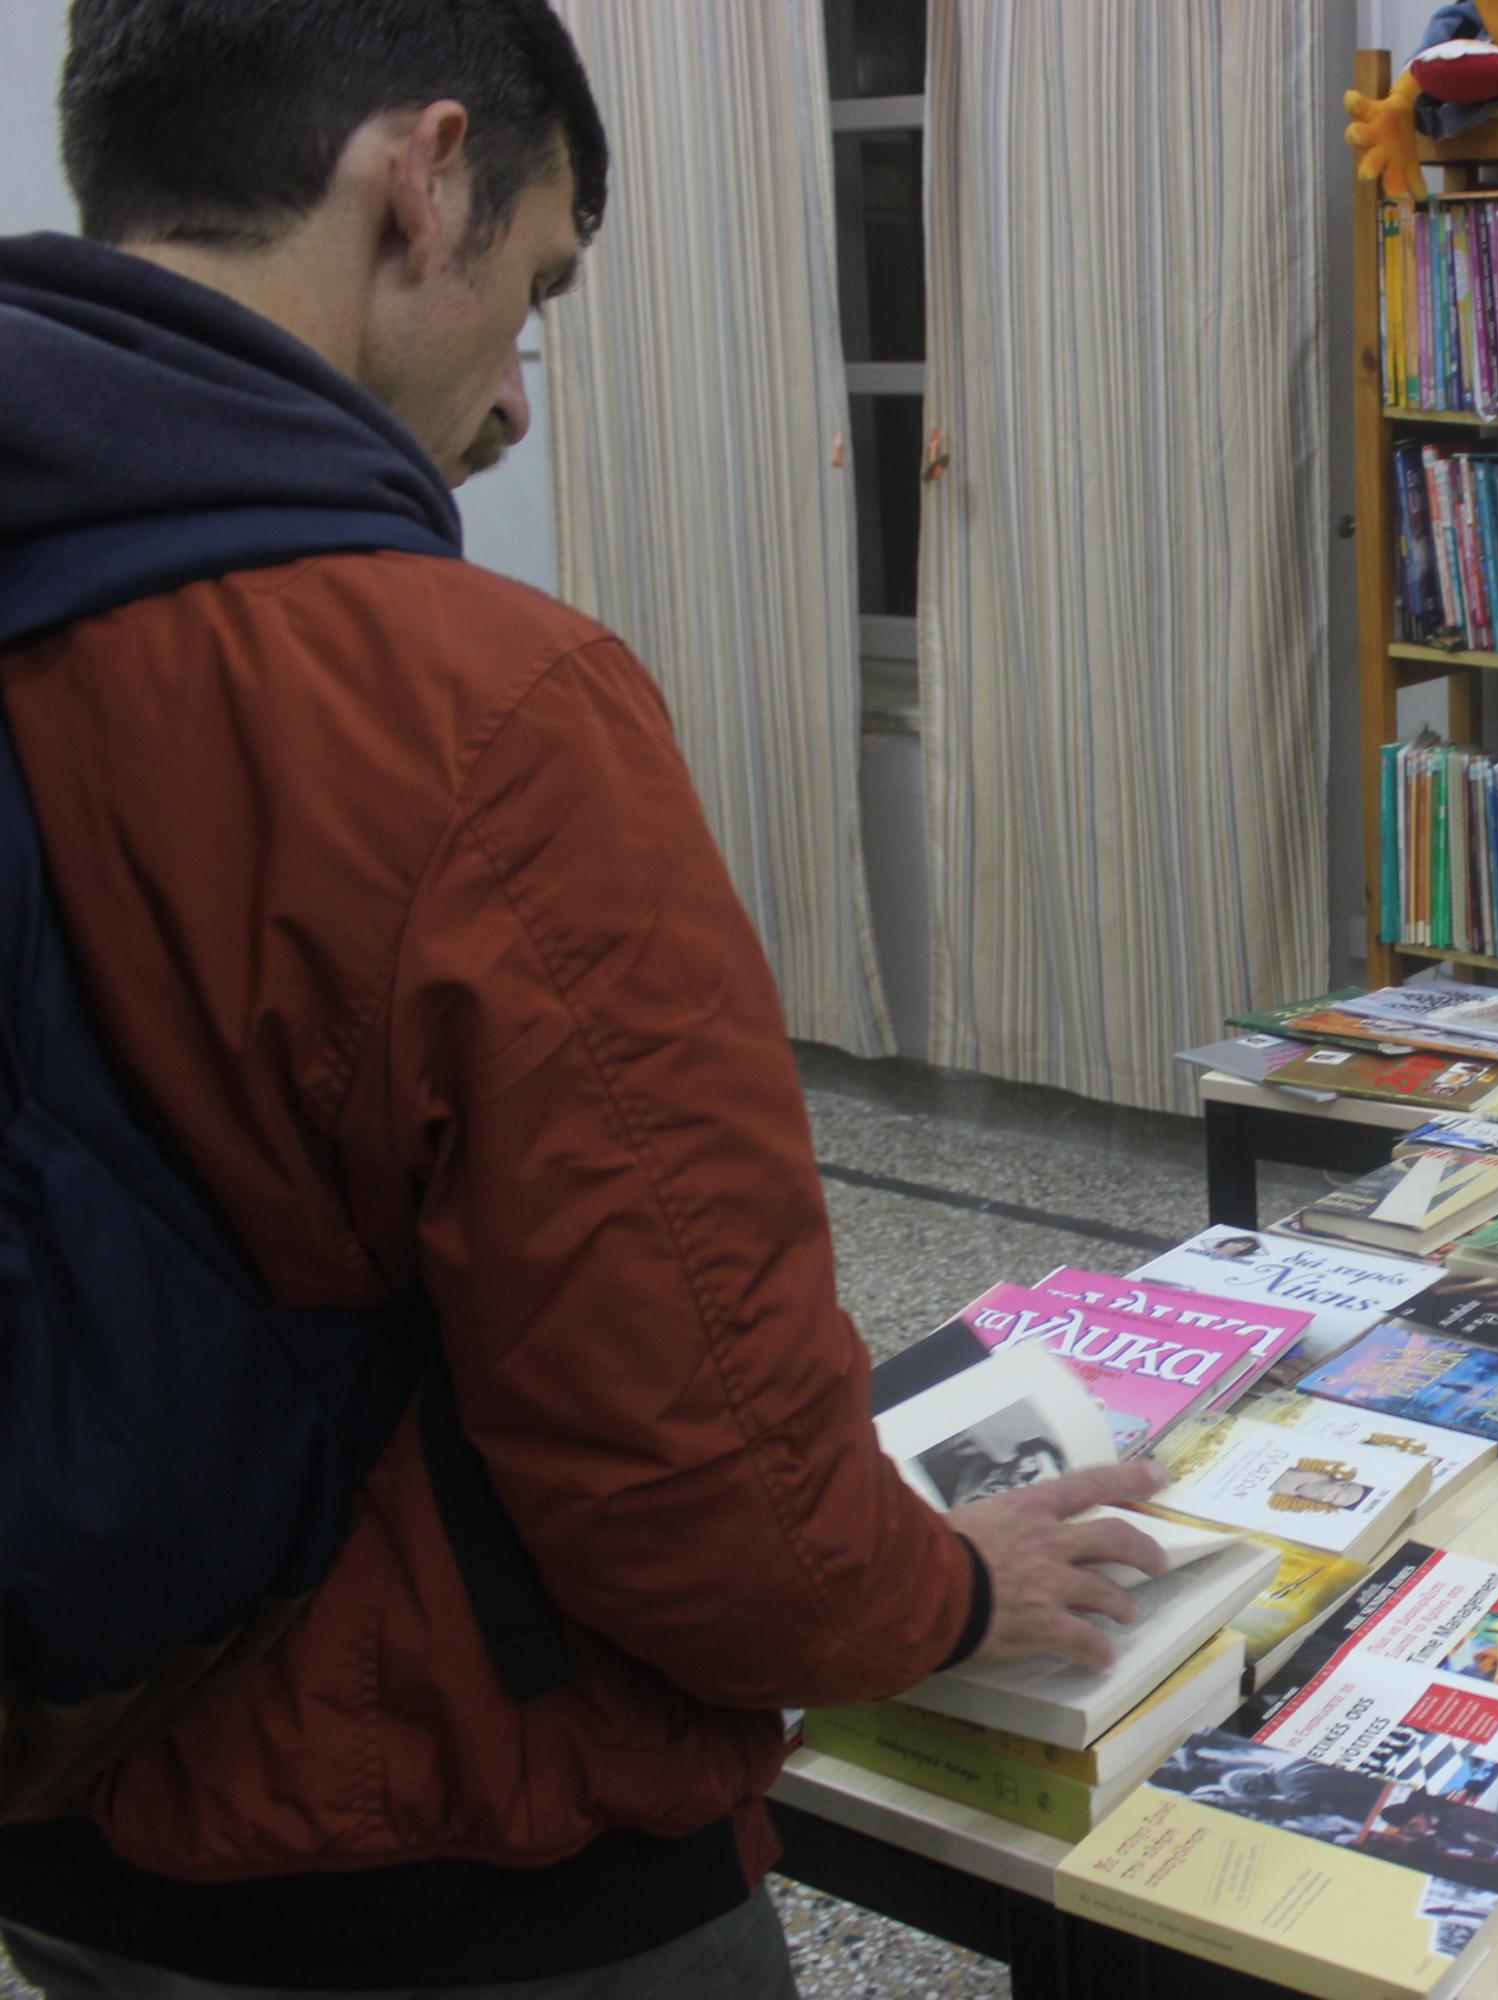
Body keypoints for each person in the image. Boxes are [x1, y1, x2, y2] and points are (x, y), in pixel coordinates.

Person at [0, 5, 1169, 1992]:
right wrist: (945, 1591)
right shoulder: (475, 710)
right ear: (424, 177)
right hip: (453, 1853)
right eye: (535, 290)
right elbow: (694, 1456)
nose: (518, 408)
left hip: (61, 1801)